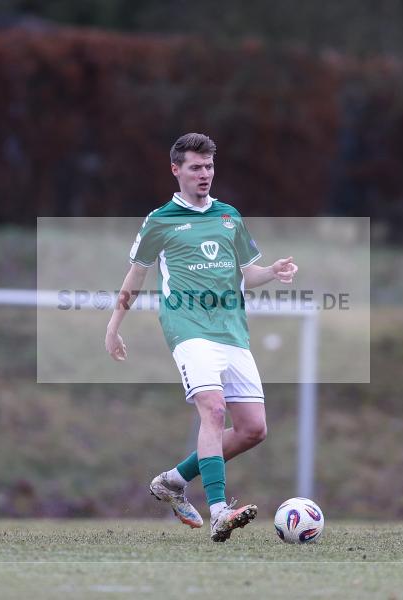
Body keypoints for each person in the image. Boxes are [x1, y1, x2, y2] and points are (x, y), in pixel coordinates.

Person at [105, 132, 298, 542]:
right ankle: (220, 511)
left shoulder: (229, 216)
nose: (204, 174)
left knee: (253, 429)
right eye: (195, 167)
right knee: (213, 409)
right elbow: (136, 275)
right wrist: (113, 324)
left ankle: (173, 481)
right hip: (188, 329)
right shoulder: (160, 220)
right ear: (176, 170)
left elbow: (250, 274)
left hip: (232, 331)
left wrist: (274, 271)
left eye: (209, 166)